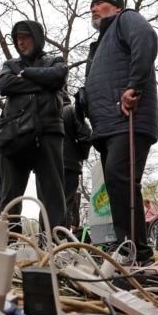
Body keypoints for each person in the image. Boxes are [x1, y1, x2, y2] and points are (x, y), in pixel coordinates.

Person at [82, 0, 158, 262]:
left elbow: (146, 38)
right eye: (91, 4)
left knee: (121, 178)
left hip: (129, 118)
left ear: (115, 7)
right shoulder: (100, 44)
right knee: (116, 183)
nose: (93, 7)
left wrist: (134, 87)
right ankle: (128, 246)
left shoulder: (126, 19)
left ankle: (137, 250)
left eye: (99, 3)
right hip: (107, 126)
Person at [0, 20, 67, 234]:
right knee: (10, 194)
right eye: (17, 38)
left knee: (52, 192)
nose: (20, 42)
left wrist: (27, 74)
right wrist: (43, 83)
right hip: (16, 133)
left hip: (49, 130)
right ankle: (10, 243)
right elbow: (5, 85)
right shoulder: (10, 65)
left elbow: (57, 77)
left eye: (25, 37)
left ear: (36, 38)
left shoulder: (54, 61)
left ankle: (54, 245)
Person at [60, 93, 92, 230]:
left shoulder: (41, 110)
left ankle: (44, 240)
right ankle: (59, 240)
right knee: (65, 202)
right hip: (69, 164)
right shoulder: (71, 110)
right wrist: (80, 155)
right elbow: (86, 134)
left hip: (45, 166)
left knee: (46, 204)